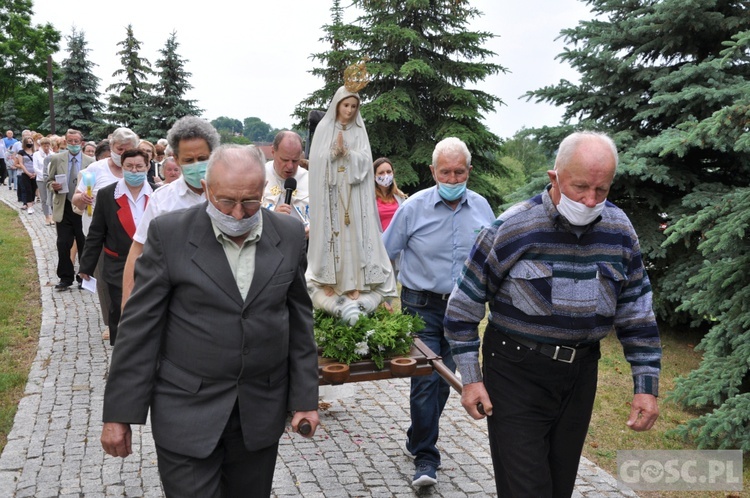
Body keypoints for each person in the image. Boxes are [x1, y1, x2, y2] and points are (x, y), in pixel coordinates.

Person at [444, 131, 662, 497]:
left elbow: (637, 312)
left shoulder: (619, 231)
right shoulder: (512, 228)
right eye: (580, 188)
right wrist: (471, 378)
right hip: (516, 371)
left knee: (559, 487)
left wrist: (646, 385)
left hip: (580, 375)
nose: (590, 200)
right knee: (527, 490)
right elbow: (462, 309)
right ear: (554, 177)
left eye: (602, 190)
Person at [100, 144, 319, 498]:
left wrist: (305, 398)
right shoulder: (169, 235)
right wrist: (119, 414)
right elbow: (140, 329)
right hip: (186, 410)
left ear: (263, 191)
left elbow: (298, 321)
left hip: (259, 413)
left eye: (249, 202)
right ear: (206, 190)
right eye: (225, 201)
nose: (236, 213)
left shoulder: (289, 236)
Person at [382, 136, 495, 488]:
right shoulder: (412, 207)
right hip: (421, 306)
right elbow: (384, 253)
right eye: (444, 172)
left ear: (469, 172)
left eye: (458, 172)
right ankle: (427, 458)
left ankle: (417, 435)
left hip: (464, 311)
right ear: (433, 171)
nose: (451, 179)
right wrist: (384, 298)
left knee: (446, 384)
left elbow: (493, 259)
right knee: (427, 382)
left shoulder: (482, 209)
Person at [307, 85, 396, 323]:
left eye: (354, 106)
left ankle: (355, 282)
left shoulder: (359, 131)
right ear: (337, 105)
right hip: (331, 195)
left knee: (353, 238)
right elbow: (315, 163)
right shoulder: (325, 128)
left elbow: (367, 163)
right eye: (346, 105)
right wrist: (332, 155)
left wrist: (348, 153)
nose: (349, 110)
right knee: (332, 235)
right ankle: (330, 282)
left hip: (354, 196)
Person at [121, 116, 220, 305]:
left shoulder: (229, 196)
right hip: (174, 297)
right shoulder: (162, 199)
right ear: (175, 158)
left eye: (202, 159)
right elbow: (138, 249)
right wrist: (127, 305)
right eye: (189, 160)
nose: (196, 165)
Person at [78, 149, 153, 346]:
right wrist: (86, 266)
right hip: (118, 265)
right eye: (129, 167)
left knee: (149, 312)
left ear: (148, 167)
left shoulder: (157, 194)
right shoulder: (107, 194)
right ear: (122, 167)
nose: (134, 171)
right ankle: (121, 355)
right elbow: (96, 233)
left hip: (152, 266)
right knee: (120, 312)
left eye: (139, 167)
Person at [46, 129, 95, 290]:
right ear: (65, 142)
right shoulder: (56, 159)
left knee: (83, 242)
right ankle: (65, 277)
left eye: (76, 141)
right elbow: (49, 180)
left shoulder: (90, 162)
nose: (73, 144)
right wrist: (53, 186)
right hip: (64, 205)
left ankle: (83, 276)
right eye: (70, 141)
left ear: (82, 143)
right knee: (63, 242)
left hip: (82, 207)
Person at [262, 130, 310, 237]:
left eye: (295, 161)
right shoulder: (259, 176)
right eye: (284, 160)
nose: (290, 166)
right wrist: (273, 218)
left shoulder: (310, 181)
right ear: (273, 152)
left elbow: (323, 217)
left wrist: (312, 229)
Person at [373, 157, 407, 231]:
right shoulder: (370, 198)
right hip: (379, 240)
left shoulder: (399, 195)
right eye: (381, 173)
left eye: (388, 172)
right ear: (374, 176)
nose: (386, 175)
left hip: (399, 240)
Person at [33, 137, 53, 224]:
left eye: (47, 146)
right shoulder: (36, 154)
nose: (46, 148)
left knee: (52, 198)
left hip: (51, 179)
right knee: (44, 198)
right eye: (44, 146)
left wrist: (49, 176)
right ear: (41, 146)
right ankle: (47, 217)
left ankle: (53, 216)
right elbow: (35, 168)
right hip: (41, 179)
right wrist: (44, 175)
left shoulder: (53, 154)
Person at [16, 135, 37, 214]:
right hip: (25, 173)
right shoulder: (21, 152)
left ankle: (31, 202)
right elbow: (21, 163)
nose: (30, 143)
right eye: (28, 142)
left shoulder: (35, 152)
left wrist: (35, 173)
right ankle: (29, 206)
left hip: (35, 173)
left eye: (31, 142)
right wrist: (28, 173)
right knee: (27, 189)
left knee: (33, 189)